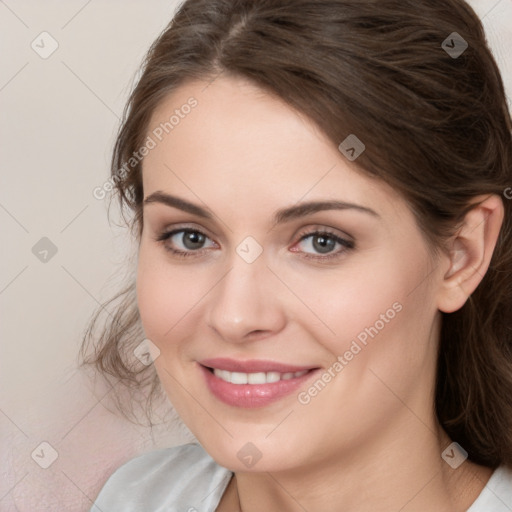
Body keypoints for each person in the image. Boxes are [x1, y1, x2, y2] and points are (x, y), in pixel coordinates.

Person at [83, 0, 512, 510]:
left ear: (461, 255)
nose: (236, 315)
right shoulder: (135, 498)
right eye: (190, 237)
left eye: (321, 241)